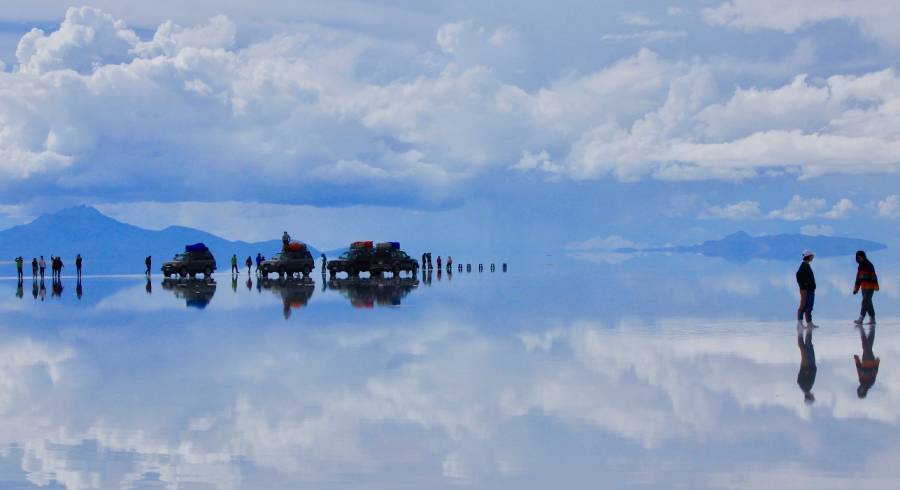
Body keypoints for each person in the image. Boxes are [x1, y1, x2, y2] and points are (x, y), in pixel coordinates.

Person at [853, 250, 879, 325]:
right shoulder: (860, 267)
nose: (859, 259)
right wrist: (856, 289)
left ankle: (861, 318)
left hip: (870, 287)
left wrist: (876, 286)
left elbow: (874, 276)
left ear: (863, 257)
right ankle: (872, 319)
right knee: (868, 302)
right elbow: (858, 278)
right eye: (858, 258)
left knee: (865, 302)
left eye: (860, 257)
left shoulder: (869, 265)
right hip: (863, 288)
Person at [854, 324, 879, 398]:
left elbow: (859, 370)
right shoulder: (870, 383)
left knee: (867, 346)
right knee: (866, 346)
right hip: (871, 361)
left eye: (859, 390)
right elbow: (875, 371)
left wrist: (856, 360)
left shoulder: (861, 381)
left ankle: (871, 330)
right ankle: (863, 330)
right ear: (865, 391)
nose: (860, 388)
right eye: (861, 391)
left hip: (865, 361)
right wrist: (877, 362)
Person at [796, 250, 817, 328]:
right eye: (812, 256)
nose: (813, 257)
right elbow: (798, 276)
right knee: (803, 305)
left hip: (810, 290)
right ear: (809, 256)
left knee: (809, 306)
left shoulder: (806, 265)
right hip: (806, 290)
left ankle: (809, 323)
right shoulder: (804, 266)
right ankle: (800, 324)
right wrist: (804, 286)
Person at [797, 323, 817, 404]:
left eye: (813, 398)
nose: (814, 396)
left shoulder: (807, 387)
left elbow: (811, 375)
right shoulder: (804, 388)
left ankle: (805, 331)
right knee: (804, 348)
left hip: (809, 365)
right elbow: (798, 380)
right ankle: (801, 333)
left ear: (809, 397)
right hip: (806, 365)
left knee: (807, 346)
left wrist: (806, 370)